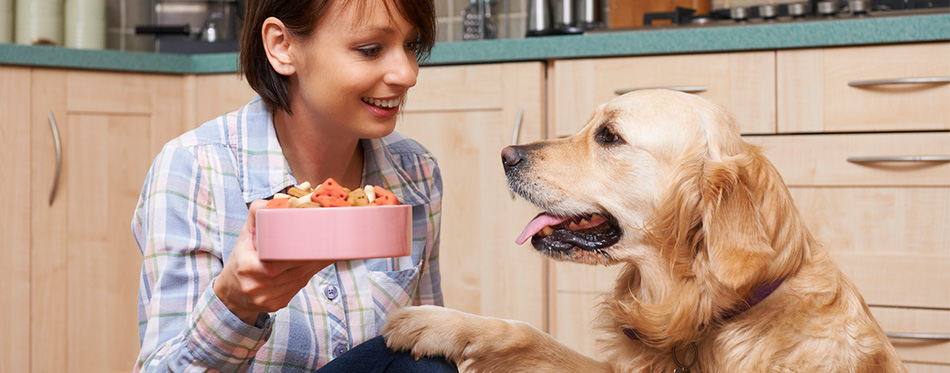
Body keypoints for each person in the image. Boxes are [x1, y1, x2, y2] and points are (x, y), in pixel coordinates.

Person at [131, 0, 456, 371]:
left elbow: (427, 339)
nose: (407, 73)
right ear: (282, 46)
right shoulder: (194, 169)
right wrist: (235, 305)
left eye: (411, 46)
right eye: (371, 49)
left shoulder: (416, 173)